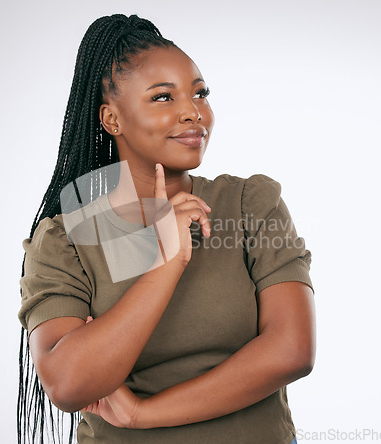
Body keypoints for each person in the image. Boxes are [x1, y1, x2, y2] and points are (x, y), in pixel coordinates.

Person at [18, 13, 315, 444]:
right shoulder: (66, 240)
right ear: (111, 119)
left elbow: (292, 351)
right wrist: (166, 261)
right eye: (163, 98)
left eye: (200, 93)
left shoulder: (252, 205)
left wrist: (144, 413)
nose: (193, 112)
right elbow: (68, 385)